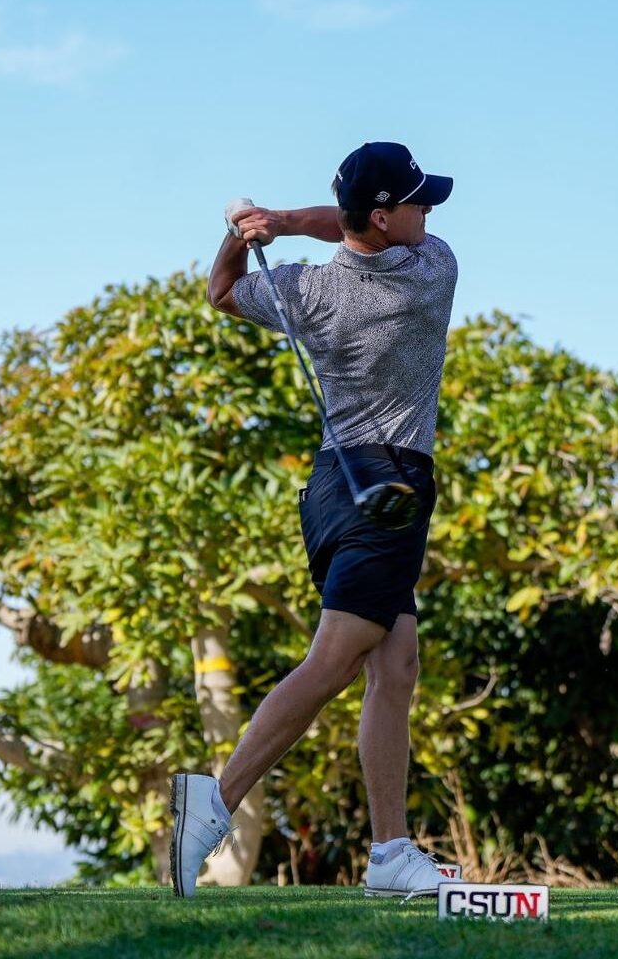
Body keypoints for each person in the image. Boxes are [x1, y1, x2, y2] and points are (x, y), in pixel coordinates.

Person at [171, 142, 460, 899]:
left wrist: (247, 231)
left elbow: (223, 291)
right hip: (390, 488)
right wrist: (285, 222)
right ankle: (218, 798)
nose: (429, 211)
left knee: (395, 666)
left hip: (335, 487)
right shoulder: (433, 271)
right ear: (383, 215)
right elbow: (339, 225)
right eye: (417, 201)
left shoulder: (304, 290)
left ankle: (392, 854)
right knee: (335, 660)